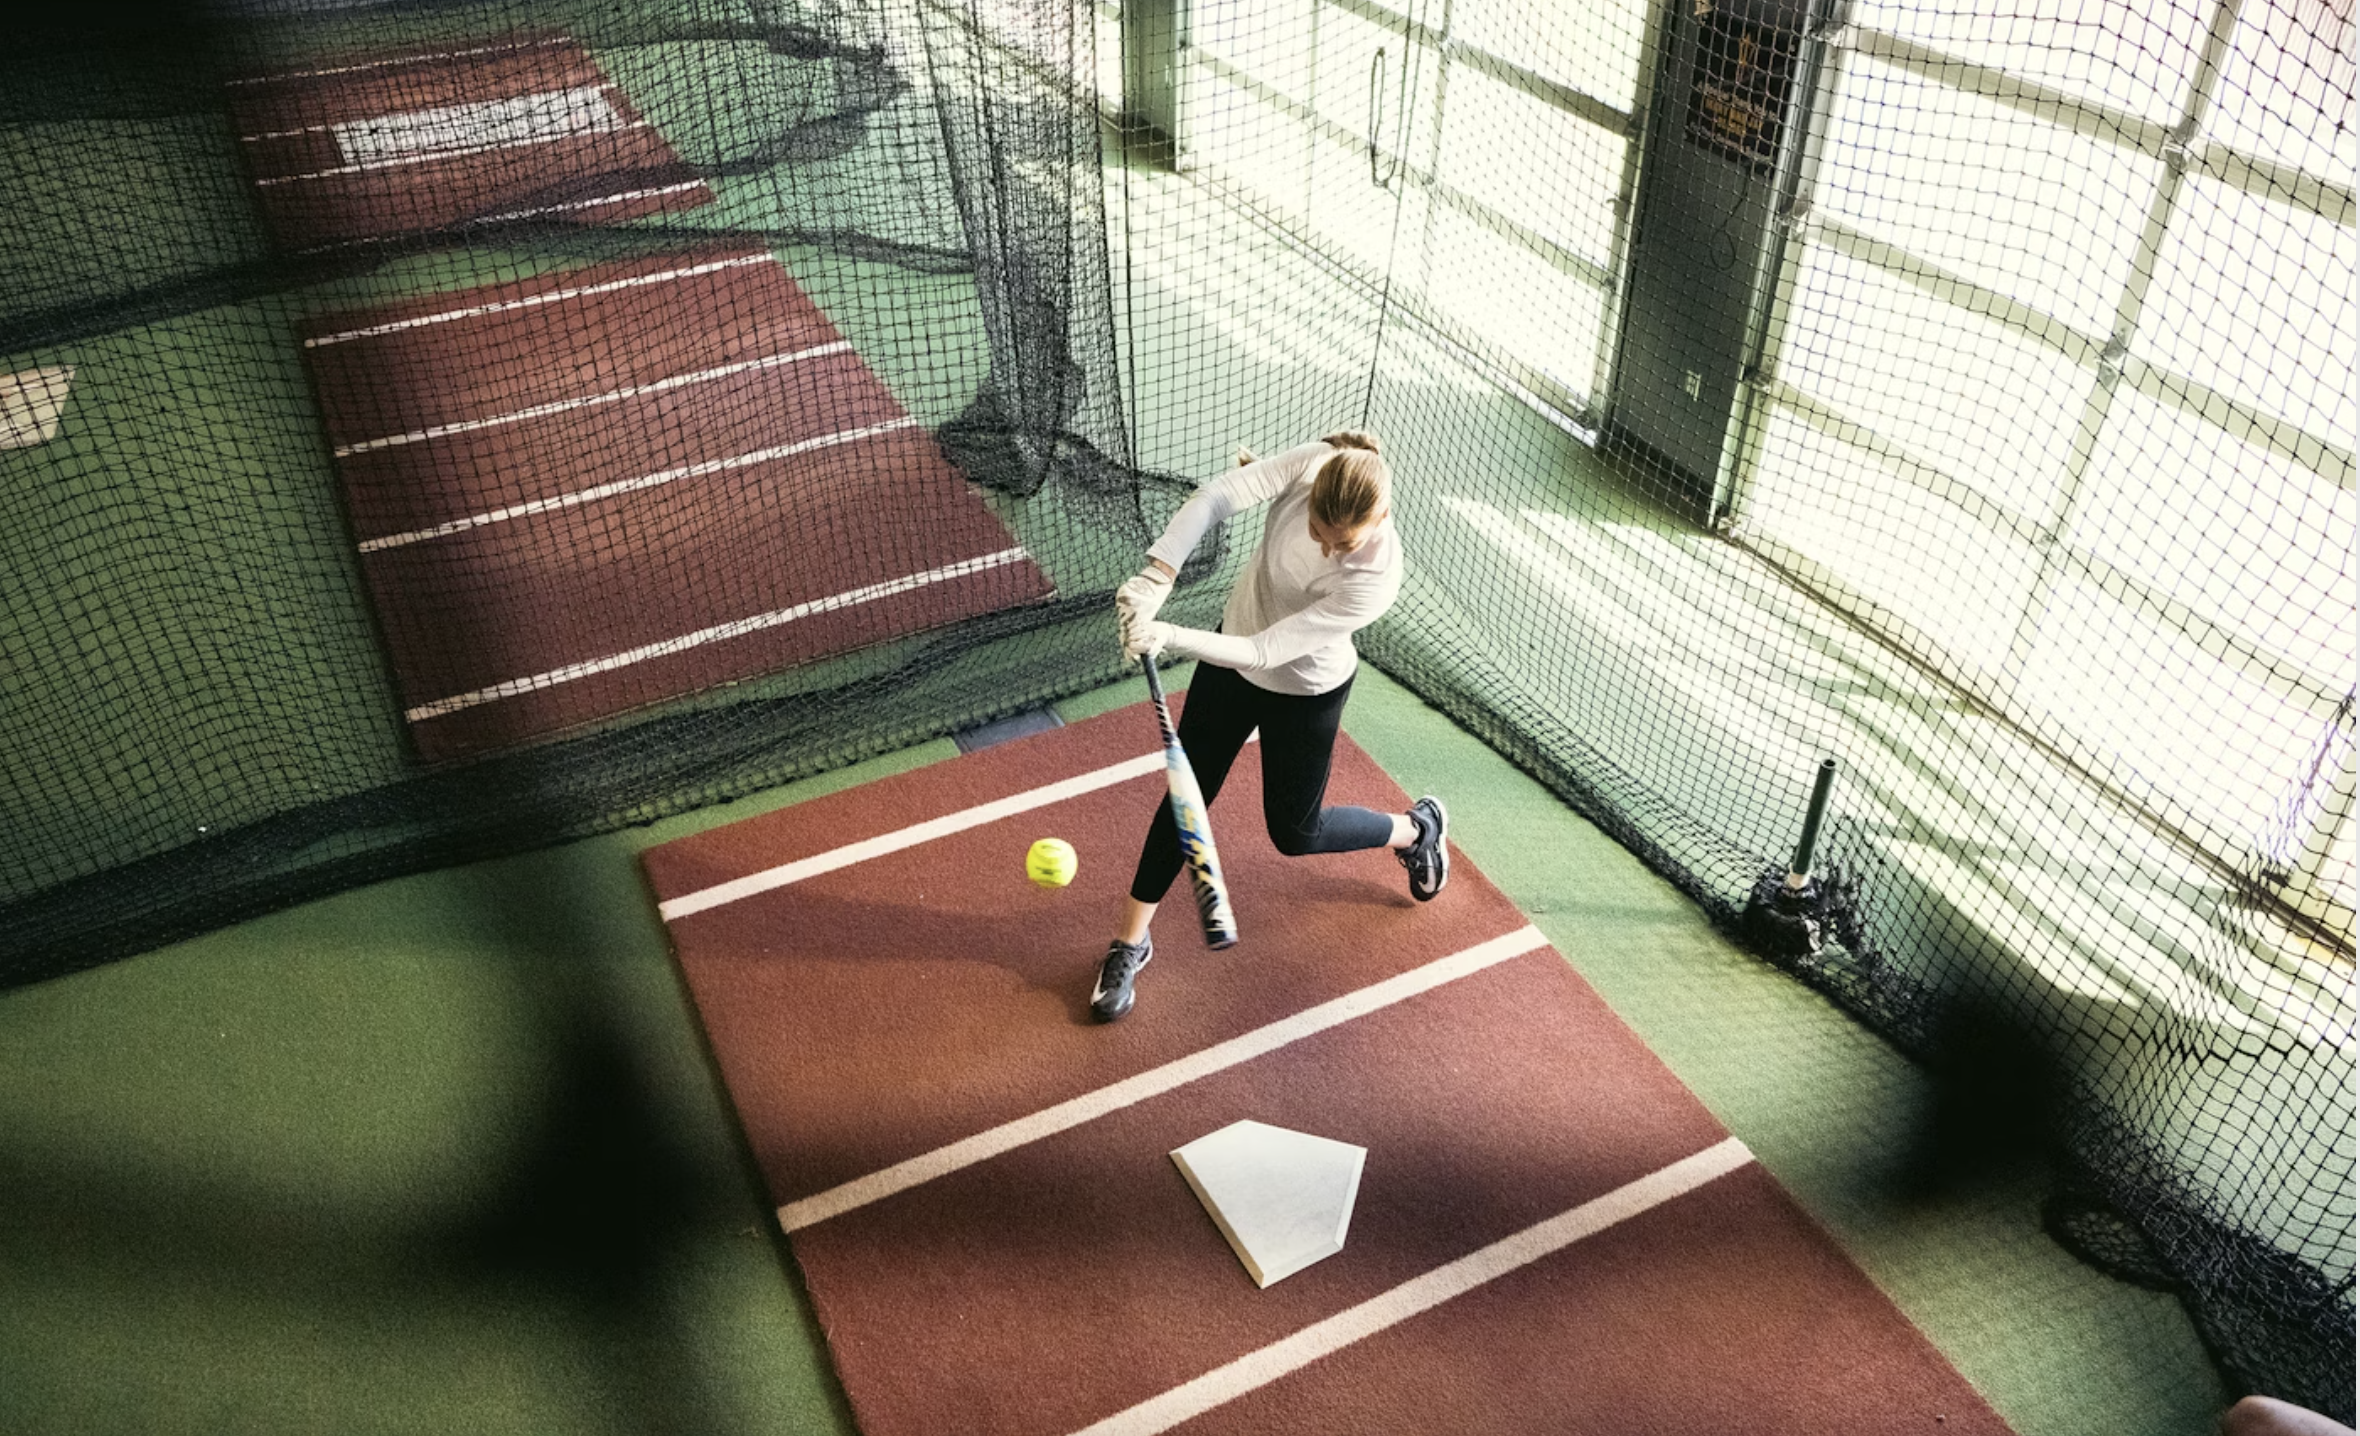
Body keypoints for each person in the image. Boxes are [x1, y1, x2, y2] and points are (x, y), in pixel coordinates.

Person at [1091, 431, 1449, 1022]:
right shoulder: (1315, 464)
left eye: (1343, 543)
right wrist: (1158, 576)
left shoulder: (1376, 579)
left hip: (1305, 688)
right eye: (1317, 532)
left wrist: (1169, 635)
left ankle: (1415, 830)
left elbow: (1263, 650)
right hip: (1230, 662)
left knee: (1295, 833)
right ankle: (1129, 942)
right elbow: (1213, 499)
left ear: (1380, 516)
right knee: (1187, 798)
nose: (1328, 550)